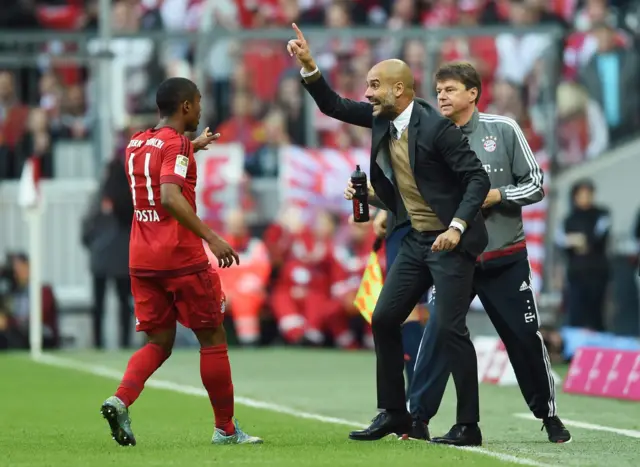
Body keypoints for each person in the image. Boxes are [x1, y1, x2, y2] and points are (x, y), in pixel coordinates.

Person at [288, 23, 491, 446]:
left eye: (376, 85)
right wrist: (310, 67)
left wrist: (457, 227)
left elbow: (475, 179)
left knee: (450, 329)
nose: (368, 93)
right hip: (416, 237)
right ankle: (395, 414)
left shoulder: (438, 128)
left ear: (400, 90)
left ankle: (468, 424)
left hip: (450, 242)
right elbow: (334, 106)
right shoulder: (384, 118)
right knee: (383, 318)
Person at [406, 62, 572, 444]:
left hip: (503, 258)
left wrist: (498, 195)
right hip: (453, 259)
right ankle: (418, 419)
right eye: (439, 89)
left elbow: (535, 184)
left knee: (525, 337)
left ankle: (548, 415)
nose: (442, 96)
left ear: (473, 93)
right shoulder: (431, 137)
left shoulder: (504, 129)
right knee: (438, 336)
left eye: (449, 89)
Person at [100, 77, 262, 447]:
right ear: (185, 106)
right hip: (181, 258)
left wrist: (194, 145)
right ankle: (225, 429)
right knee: (212, 338)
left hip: (142, 258)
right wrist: (213, 237)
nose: (201, 108)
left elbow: (164, 156)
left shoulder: (137, 142)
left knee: (159, 341)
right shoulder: (176, 145)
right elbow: (170, 196)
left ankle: (120, 399)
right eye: (198, 102)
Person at [560, 179, 611, 331]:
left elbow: (596, 239)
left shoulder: (602, 214)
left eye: (588, 194)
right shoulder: (569, 219)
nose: (585, 197)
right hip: (576, 273)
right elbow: (562, 243)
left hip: (597, 272)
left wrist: (578, 240)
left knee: (596, 315)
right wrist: (577, 242)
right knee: (576, 314)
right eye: (581, 194)